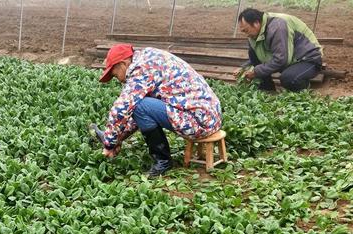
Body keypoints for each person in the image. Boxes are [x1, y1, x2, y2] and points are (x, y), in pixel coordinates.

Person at [90, 44, 222, 178]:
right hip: (209, 116)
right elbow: (139, 113)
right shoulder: (147, 58)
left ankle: (163, 160)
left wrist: (108, 145)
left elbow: (121, 109)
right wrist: (116, 139)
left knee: (140, 106)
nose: (118, 79)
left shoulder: (141, 69)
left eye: (115, 74)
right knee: (140, 105)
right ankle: (112, 138)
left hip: (199, 121)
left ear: (123, 64)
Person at [234, 8, 323, 92]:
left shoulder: (277, 26)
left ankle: (303, 91)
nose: (246, 34)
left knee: (289, 79)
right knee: (252, 52)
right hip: (290, 58)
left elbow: (281, 60)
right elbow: (258, 56)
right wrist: (243, 68)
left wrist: (255, 72)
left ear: (256, 23)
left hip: (307, 58)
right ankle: (267, 88)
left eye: (246, 30)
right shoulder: (255, 34)